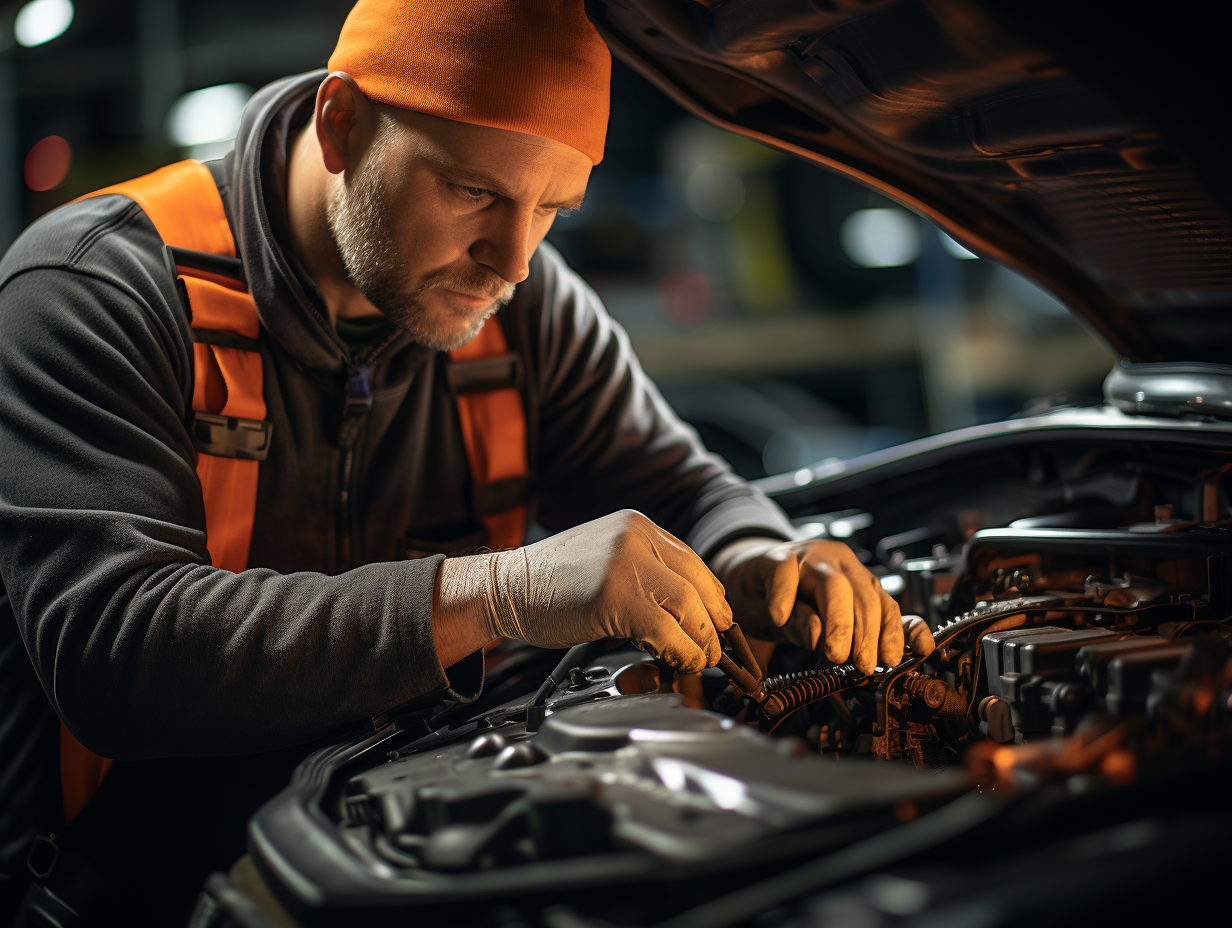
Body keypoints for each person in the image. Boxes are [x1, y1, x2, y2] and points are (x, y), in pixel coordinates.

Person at [0, 1, 930, 921]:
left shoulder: (527, 310)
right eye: (474, 192)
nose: (515, 260)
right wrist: (501, 593)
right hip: (135, 895)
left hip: (416, 868)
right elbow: (115, 656)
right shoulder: (94, 291)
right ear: (341, 125)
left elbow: (686, 489)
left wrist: (762, 554)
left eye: (554, 208)